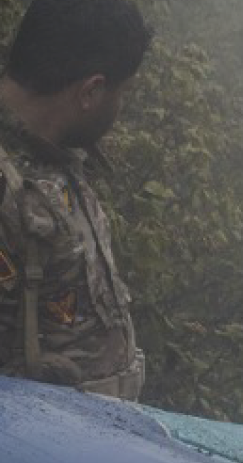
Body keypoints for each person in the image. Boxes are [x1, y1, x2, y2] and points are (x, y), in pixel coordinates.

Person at [0, 0, 151, 399]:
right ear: (91, 91)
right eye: (122, 92)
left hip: (92, 442)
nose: (119, 109)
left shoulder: (55, 156)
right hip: (32, 451)